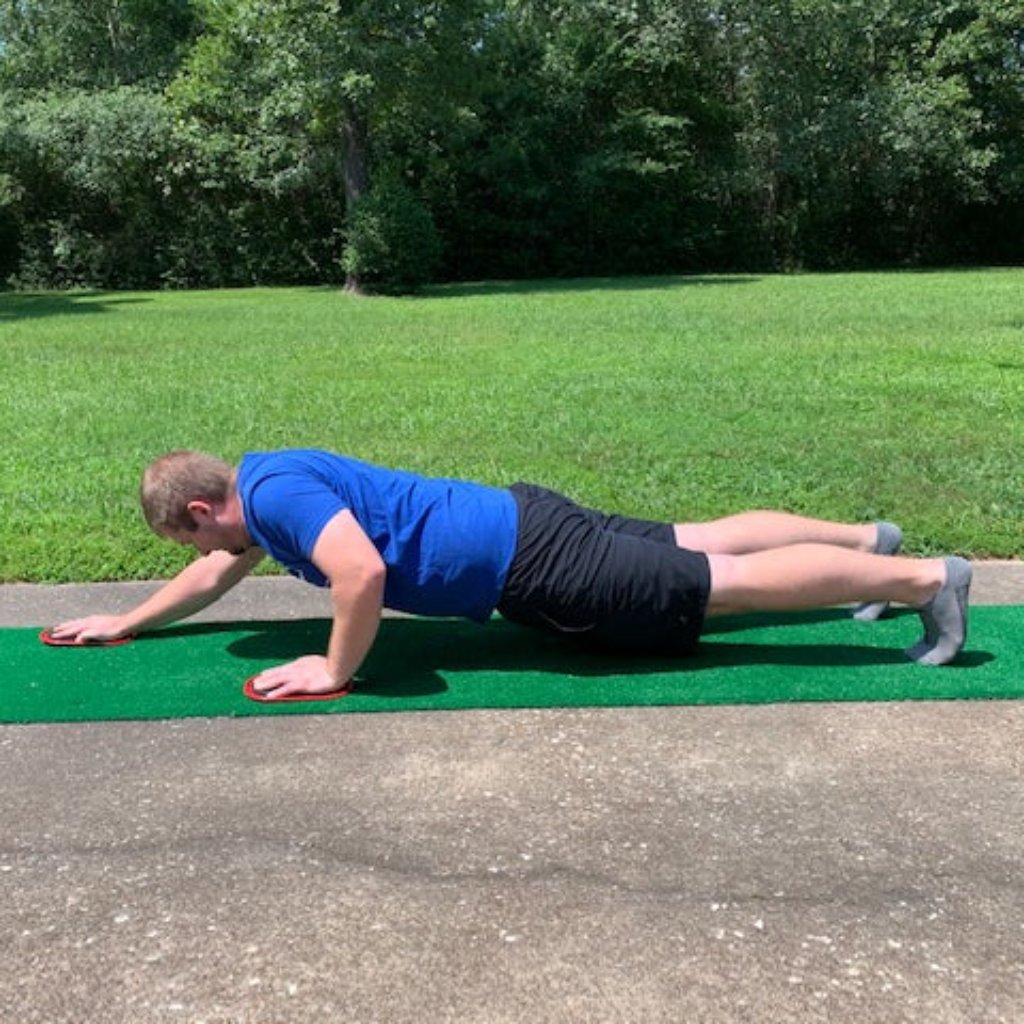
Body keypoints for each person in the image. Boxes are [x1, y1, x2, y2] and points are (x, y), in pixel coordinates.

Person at [50, 448, 972, 698]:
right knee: (697, 537)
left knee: (713, 581)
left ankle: (926, 582)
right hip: (525, 516)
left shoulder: (278, 502)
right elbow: (213, 581)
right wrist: (127, 621)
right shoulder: (265, 479)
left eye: (192, 539)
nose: (204, 556)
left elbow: (361, 576)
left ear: (203, 511)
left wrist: (337, 668)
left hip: (535, 558)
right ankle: (865, 543)